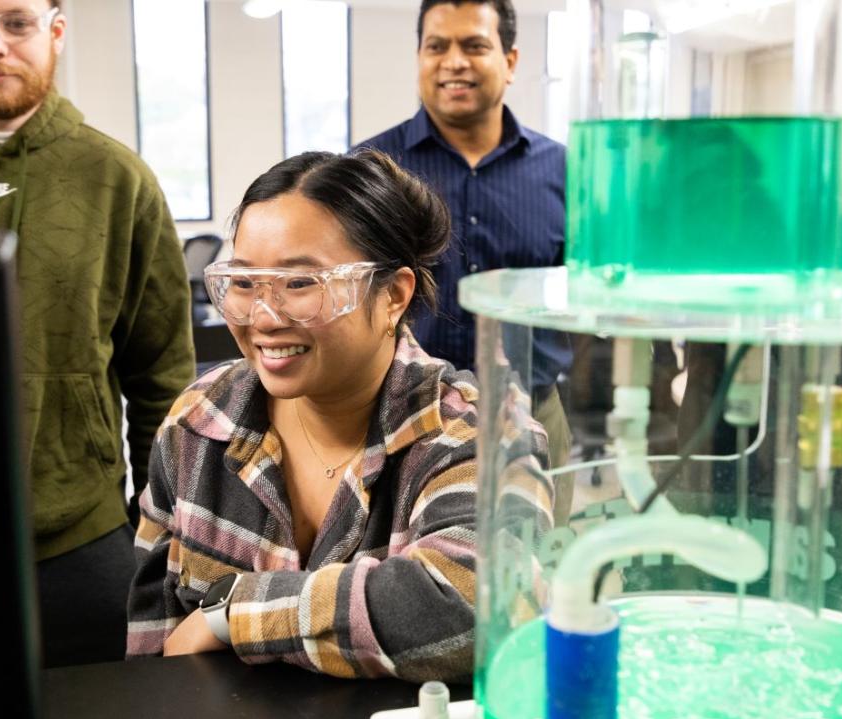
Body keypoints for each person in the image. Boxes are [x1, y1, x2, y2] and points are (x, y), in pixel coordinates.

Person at [126, 150, 552, 682]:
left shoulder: (478, 436)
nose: (264, 317)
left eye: (301, 285)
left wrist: (232, 614)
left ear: (394, 295)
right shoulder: (200, 420)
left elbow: (477, 606)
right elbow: (151, 644)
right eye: (244, 282)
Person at [0, 0, 195, 666]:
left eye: (15, 23)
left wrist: (161, 528)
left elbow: (161, 373)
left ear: (54, 30)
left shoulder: (119, 179)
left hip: (82, 538)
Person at [355, 0, 574, 521]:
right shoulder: (372, 170)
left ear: (511, 61)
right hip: (400, 420)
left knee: (535, 574)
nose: (454, 61)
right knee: (408, 589)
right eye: (437, 46)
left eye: (475, 45)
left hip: (533, 413)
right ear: (419, 58)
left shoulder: (564, 170)